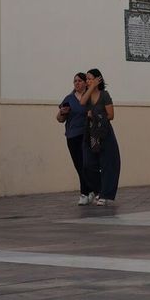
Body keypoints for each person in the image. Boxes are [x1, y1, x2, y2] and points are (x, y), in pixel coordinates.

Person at [80, 68, 121, 206]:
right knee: (87, 164)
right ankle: (99, 190)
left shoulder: (105, 95)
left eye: (90, 78)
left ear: (98, 79)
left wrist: (97, 116)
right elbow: (82, 103)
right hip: (90, 132)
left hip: (104, 132)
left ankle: (105, 194)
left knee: (108, 164)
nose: (87, 81)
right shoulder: (87, 94)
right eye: (87, 79)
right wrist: (91, 88)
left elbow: (111, 115)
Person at [57, 72, 93, 204]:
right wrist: (62, 113)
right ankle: (87, 191)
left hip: (86, 134)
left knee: (87, 164)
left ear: (85, 83)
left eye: (79, 81)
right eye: (75, 81)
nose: (77, 83)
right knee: (78, 165)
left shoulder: (89, 97)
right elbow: (59, 119)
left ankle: (86, 192)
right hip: (72, 136)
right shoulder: (69, 98)